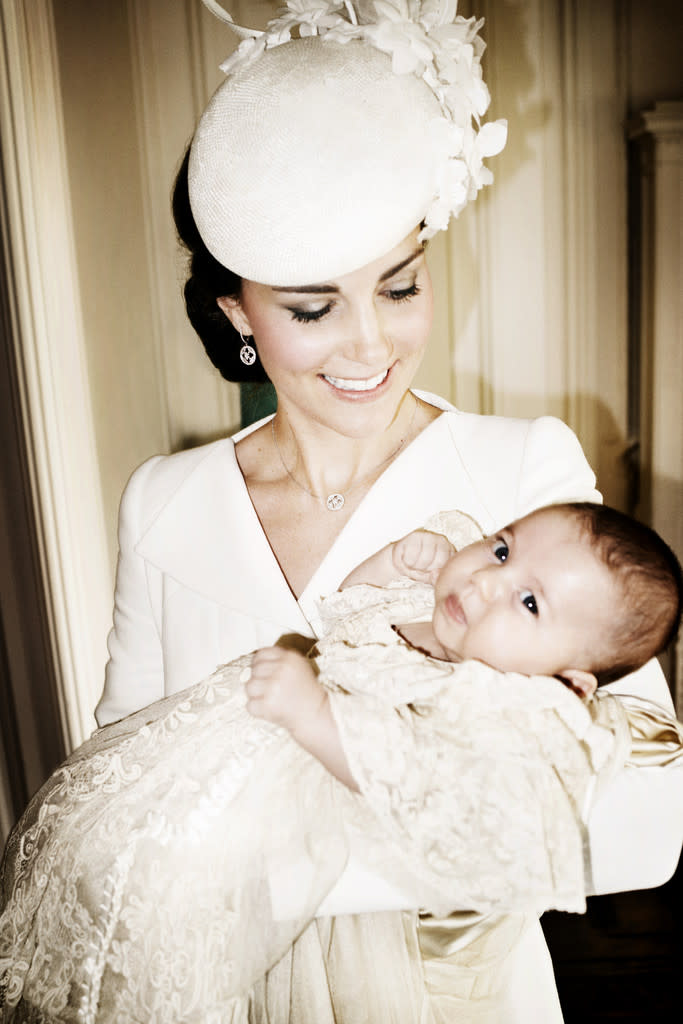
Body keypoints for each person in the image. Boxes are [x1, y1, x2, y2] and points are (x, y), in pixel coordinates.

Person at [92, 1, 683, 1021]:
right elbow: (112, 802)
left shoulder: (522, 474)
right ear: (237, 314)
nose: (369, 347)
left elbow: (641, 820)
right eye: (314, 309)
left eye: (399, 287)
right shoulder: (164, 504)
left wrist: (284, 834)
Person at [2, 503, 682, 1023]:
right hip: (212, 759)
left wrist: (315, 716)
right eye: (501, 549)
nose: (483, 583)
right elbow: (344, 617)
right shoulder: (432, 611)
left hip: (327, 887)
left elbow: (411, 782)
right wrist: (386, 565)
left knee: (200, 940)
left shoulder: (494, 706)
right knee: (108, 860)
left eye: (529, 603)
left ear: (566, 681)